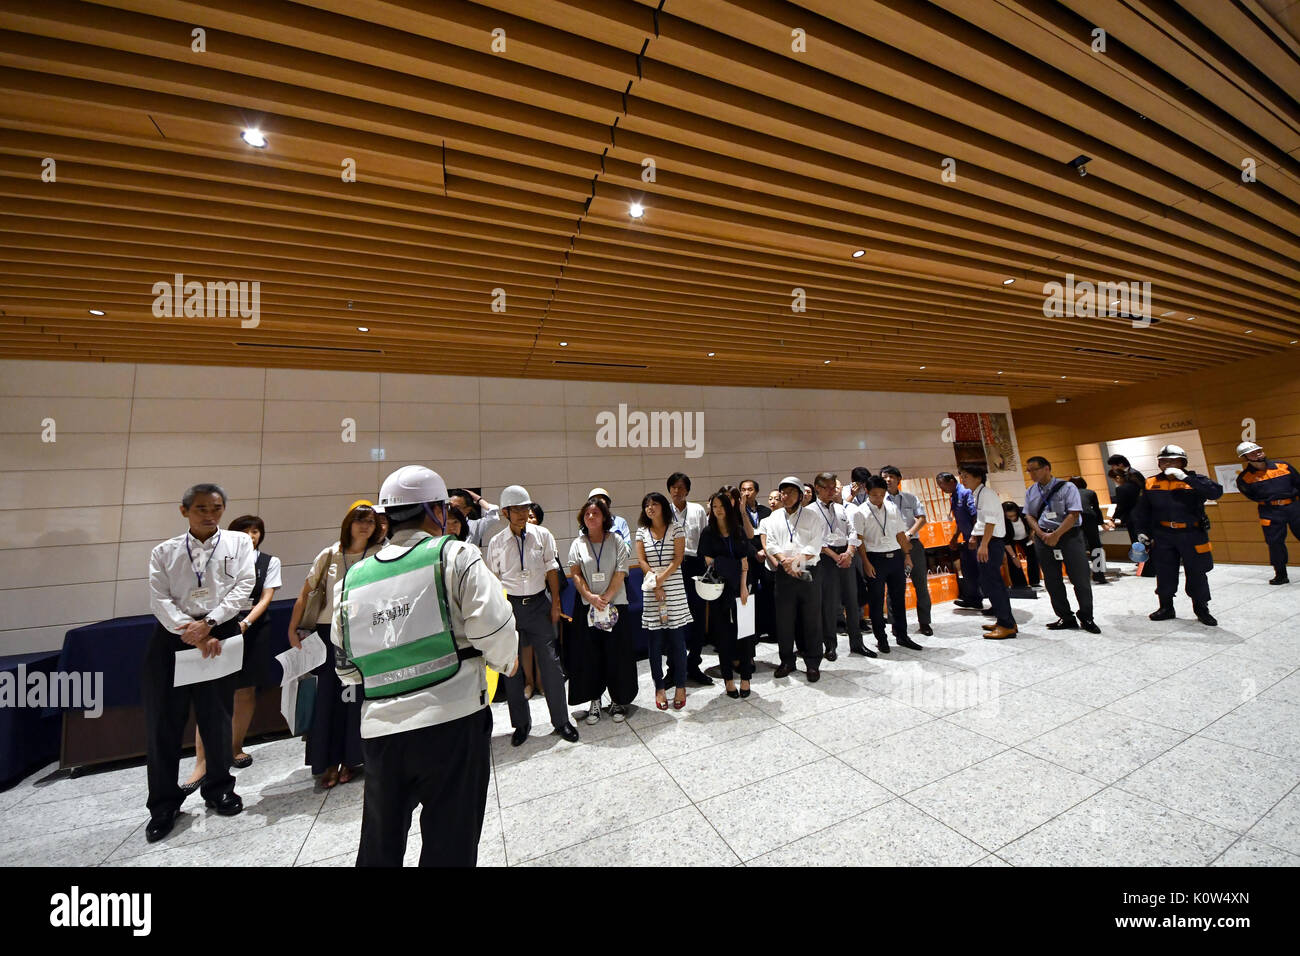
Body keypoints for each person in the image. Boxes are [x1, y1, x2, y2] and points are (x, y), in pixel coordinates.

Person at [334, 465, 518, 866]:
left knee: (380, 845)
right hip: (452, 720)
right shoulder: (454, 554)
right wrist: (507, 663)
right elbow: (495, 625)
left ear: (386, 517)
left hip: (381, 731)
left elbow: (345, 665)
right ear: (435, 510)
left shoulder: (354, 578)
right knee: (449, 841)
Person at [143, 483, 253, 842]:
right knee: (164, 725)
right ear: (184, 511)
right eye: (202, 509)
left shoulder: (239, 543)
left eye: (216, 508)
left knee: (217, 718)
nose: (210, 515)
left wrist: (209, 625)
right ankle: (163, 804)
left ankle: (220, 787)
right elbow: (159, 598)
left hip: (218, 633)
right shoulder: (165, 551)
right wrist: (187, 631)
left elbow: (243, 586)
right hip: (173, 640)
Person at [288, 501, 384, 787]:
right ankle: (326, 759)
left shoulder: (381, 554)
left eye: (370, 521)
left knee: (356, 700)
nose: (365, 525)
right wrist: (294, 629)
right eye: (359, 520)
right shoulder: (330, 555)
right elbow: (306, 594)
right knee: (328, 699)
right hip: (328, 635)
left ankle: (352, 759)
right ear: (348, 524)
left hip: (364, 637)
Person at [188, 514, 280, 782]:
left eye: (255, 531)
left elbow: (266, 597)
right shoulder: (216, 559)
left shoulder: (269, 562)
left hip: (253, 630)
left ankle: (235, 747)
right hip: (217, 629)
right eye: (245, 531)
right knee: (210, 693)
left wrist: (247, 623)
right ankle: (201, 761)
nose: (251, 536)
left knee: (245, 691)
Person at [486, 485, 578, 745]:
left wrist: (556, 604)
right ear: (505, 512)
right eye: (516, 509)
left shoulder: (542, 535)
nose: (522, 513)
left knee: (551, 664)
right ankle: (521, 725)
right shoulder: (497, 543)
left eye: (526, 508)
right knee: (512, 668)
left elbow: (552, 569)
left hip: (540, 604)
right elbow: (493, 579)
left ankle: (561, 721)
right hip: (510, 608)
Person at [1133, 444, 1224, 625]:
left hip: (1192, 533)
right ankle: (1166, 607)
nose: (1166, 464)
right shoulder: (1151, 482)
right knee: (1164, 572)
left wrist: (1187, 479)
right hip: (1163, 534)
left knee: (1197, 572)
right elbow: (1143, 510)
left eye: (1172, 460)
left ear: (1183, 462)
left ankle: (1201, 608)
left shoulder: (1195, 480)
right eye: (1162, 461)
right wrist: (1142, 531)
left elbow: (1215, 492)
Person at [567, 497, 637, 724]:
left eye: (595, 513)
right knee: (591, 656)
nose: (590, 517)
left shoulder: (616, 540)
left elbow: (621, 570)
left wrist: (606, 597)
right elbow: (575, 573)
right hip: (589, 609)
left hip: (615, 605)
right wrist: (589, 596)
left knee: (616, 654)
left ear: (605, 517)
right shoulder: (578, 543)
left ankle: (617, 700)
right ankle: (594, 701)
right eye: (587, 514)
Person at [1022, 458, 1099, 633]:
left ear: (1047, 468)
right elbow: (1029, 516)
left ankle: (1087, 616)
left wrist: (1056, 535)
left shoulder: (1068, 488)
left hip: (1069, 536)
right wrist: (1042, 534)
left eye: (1034, 470)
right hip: (1043, 537)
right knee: (1052, 580)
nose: (1032, 474)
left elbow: (1073, 514)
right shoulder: (1031, 491)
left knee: (1080, 578)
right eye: (1029, 471)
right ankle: (1065, 616)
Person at [760, 477, 825, 680]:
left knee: (811, 619)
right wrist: (784, 562)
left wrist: (796, 561)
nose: (785, 496)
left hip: (808, 571)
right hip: (784, 573)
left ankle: (813, 662)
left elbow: (816, 544)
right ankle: (787, 661)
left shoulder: (812, 516)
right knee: (784, 620)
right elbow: (770, 544)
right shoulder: (774, 517)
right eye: (783, 492)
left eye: (790, 492)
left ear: (800, 495)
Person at [852, 476, 921, 653]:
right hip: (875, 558)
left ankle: (902, 635)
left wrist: (907, 556)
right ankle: (881, 638)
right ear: (867, 492)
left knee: (898, 598)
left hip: (896, 557)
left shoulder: (891, 507)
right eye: (874, 494)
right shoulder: (860, 512)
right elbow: (859, 540)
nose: (878, 498)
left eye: (882, 494)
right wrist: (866, 563)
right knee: (876, 600)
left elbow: (900, 534)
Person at [637, 492, 692, 710]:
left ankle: (680, 685)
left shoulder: (676, 528)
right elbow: (641, 560)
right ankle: (659, 687)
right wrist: (655, 583)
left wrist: (661, 579)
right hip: (651, 590)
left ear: (663, 508)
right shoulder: (641, 532)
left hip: (674, 588)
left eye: (654, 504)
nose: (650, 508)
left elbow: (678, 558)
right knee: (655, 643)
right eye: (647, 505)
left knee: (677, 642)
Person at [698, 490, 754, 698]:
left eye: (722, 506)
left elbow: (746, 563)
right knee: (723, 637)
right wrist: (737, 564)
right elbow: (709, 562)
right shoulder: (708, 532)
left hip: (742, 589)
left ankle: (746, 678)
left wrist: (742, 585)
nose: (718, 510)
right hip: (718, 590)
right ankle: (729, 680)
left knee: (746, 635)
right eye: (714, 507)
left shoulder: (737, 530)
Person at [666, 472, 712, 687]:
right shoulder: (663, 511)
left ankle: (694, 665)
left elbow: (705, 538)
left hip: (695, 564)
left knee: (697, 616)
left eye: (681, 487)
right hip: (672, 568)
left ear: (687, 490)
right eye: (673, 487)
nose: (677, 491)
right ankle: (673, 670)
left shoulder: (698, 510)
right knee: (673, 619)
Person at [961, 465, 1017, 639]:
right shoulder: (978, 494)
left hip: (991, 542)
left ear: (978, 477)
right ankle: (1005, 620)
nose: (963, 480)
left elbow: (991, 521)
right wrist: (973, 536)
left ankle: (1006, 624)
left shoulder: (986, 494)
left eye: (966, 476)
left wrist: (984, 544)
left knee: (992, 582)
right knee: (989, 581)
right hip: (986, 540)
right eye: (962, 476)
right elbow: (982, 520)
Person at [1235, 441, 1300, 585]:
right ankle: (1281, 574)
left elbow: (1298, 483)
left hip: (1294, 507)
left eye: (1259, 450)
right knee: (1275, 543)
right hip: (1270, 511)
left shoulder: (1283, 466)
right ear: (1245, 457)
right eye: (1253, 453)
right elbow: (1252, 496)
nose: (1259, 453)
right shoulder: (1244, 478)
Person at [811, 471, 859, 660]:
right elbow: (816, 540)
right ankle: (830, 645)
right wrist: (835, 556)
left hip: (846, 555)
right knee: (829, 604)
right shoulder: (811, 511)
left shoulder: (841, 508)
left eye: (834, 487)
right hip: (826, 559)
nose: (832, 491)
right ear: (817, 488)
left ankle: (857, 643)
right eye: (828, 488)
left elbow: (853, 532)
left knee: (852, 602)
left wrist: (849, 552)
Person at [881, 466, 933, 637]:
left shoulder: (910, 498)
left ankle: (925, 622)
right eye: (885, 477)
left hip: (913, 545)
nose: (888, 480)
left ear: (898, 479)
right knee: (894, 587)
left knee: (921, 585)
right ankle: (896, 624)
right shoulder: (880, 501)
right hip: (893, 547)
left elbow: (922, 518)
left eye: (891, 477)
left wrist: (909, 534)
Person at [938, 471, 982, 609]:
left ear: (951, 481)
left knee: (981, 571)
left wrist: (974, 536)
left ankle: (995, 603)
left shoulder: (965, 493)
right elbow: (960, 520)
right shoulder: (953, 496)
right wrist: (955, 537)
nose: (941, 489)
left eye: (942, 485)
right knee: (968, 570)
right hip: (966, 539)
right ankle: (973, 599)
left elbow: (975, 516)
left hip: (976, 539)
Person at [739, 479, 774, 639]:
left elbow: (772, 534)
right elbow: (741, 538)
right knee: (749, 595)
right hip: (749, 559)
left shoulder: (766, 511)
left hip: (767, 557)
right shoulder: (738, 512)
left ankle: (770, 628)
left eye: (750, 489)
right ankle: (750, 634)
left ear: (757, 491)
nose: (747, 493)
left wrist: (765, 551)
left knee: (768, 593)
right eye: (743, 490)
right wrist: (755, 552)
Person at [1070, 476, 1108, 585]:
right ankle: (1099, 575)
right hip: (1089, 518)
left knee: (1077, 546)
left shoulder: (1068, 494)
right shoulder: (1090, 492)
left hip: (1074, 517)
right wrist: (1102, 523)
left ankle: (1081, 575)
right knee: (1096, 546)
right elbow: (1096, 509)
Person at [1002, 501, 1041, 589]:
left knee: (1033, 556)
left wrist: (1032, 533)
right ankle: (1019, 584)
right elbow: (1006, 541)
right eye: (1008, 516)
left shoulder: (1024, 514)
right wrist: (1014, 557)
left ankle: (1034, 582)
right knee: (1012, 561)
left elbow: (1033, 523)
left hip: (1026, 537)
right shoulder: (1002, 521)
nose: (1011, 518)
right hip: (1010, 540)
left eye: (1013, 516)